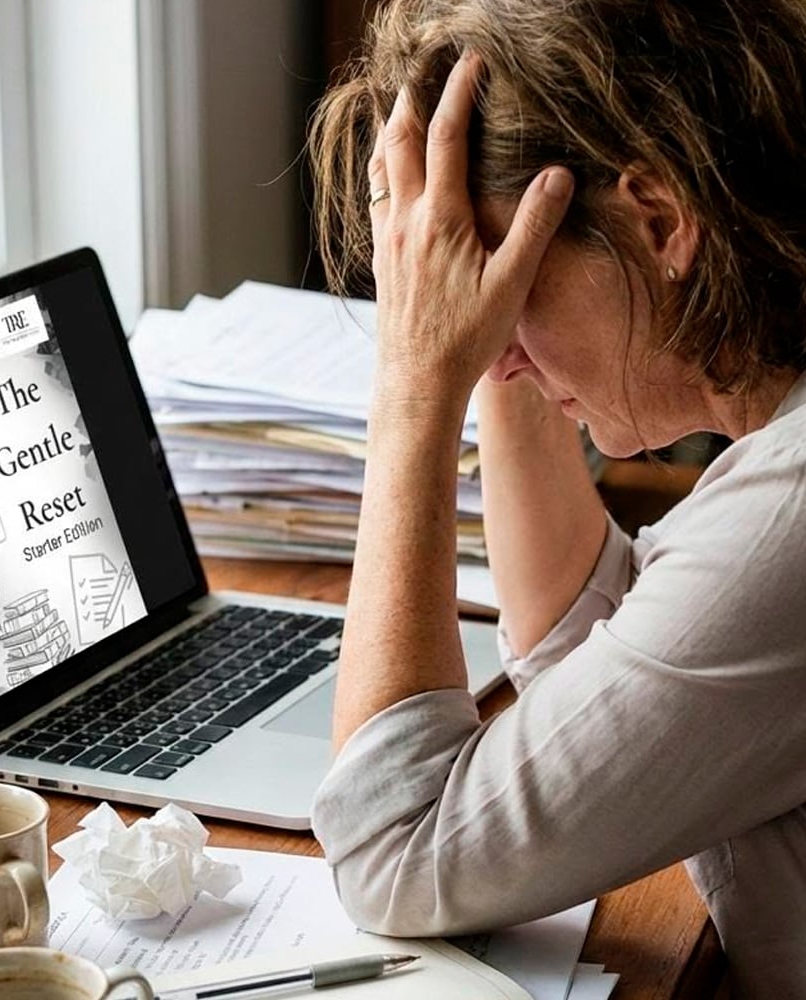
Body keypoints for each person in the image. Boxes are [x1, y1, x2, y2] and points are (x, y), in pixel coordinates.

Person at [305, 1, 806, 996]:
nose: (486, 326)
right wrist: (488, 353)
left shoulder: (784, 520)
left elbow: (396, 853)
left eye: (508, 275)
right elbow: (593, 657)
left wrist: (418, 378)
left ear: (658, 223)